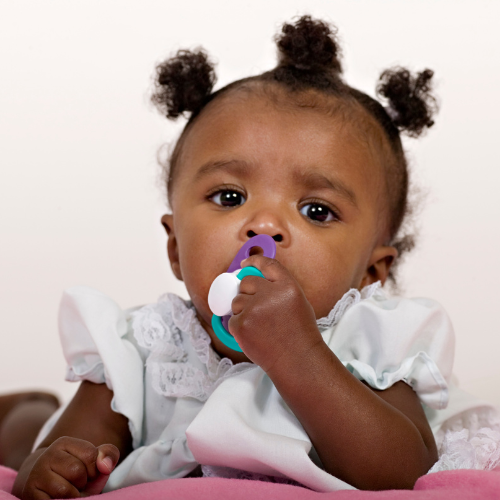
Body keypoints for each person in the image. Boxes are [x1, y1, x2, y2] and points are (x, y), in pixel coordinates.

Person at [2, 15, 499, 499]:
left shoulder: (370, 345)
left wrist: (298, 353)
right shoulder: (141, 347)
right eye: (230, 197)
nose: (264, 226)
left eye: (316, 210)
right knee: (22, 439)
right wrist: (56, 466)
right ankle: (23, 410)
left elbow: (402, 475)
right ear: (176, 248)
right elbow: (58, 463)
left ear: (372, 271)